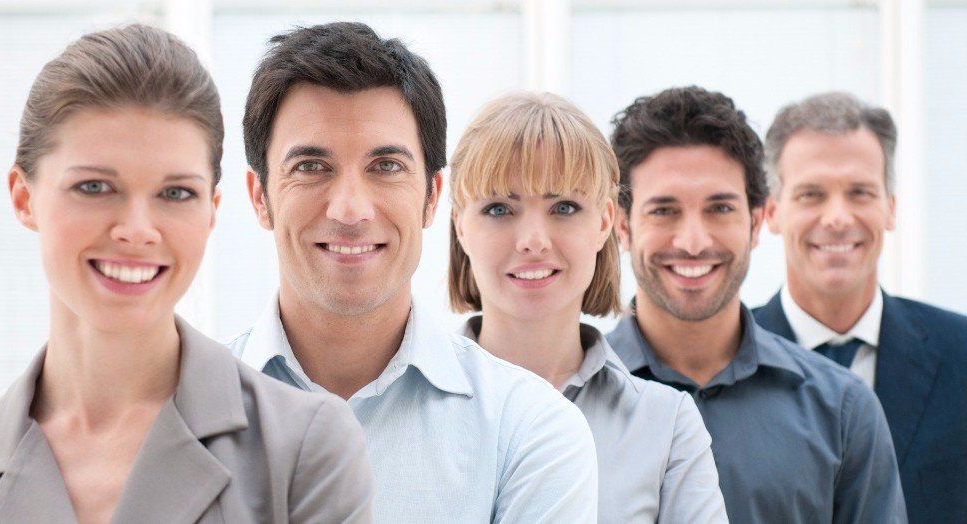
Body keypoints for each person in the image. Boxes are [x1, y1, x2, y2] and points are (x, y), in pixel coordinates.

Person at [0, 24, 374, 523]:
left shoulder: (304, 449)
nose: (136, 230)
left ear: (211, 211)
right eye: (94, 187)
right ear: (24, 197)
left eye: (175, 194)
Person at [229, 22, 597, 522]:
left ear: (431, 197)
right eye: (312, 166)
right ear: (259, 198)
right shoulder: (174, 415)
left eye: (385, 166)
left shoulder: (530, 429)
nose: (350, 209)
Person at [603, 86, 906, 523]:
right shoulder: (565, 403)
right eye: (664, 211)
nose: (693, 242)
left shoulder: (841, 410)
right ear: (621, 225)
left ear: (757, 221)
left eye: (719, 208)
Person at [447, 91, 726, 523]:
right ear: (461, 226)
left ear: (604, 224)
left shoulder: (666, 425)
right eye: (499, 208)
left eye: (564, 207)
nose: (533, 240)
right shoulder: (400, 405)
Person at [752, 92, 967, 523]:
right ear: (772, 212)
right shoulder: (724, 359)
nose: (837, 217)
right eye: (812, 194)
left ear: (890, 208)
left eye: (860, 192)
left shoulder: (961, 353)